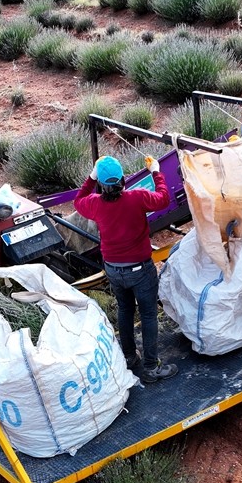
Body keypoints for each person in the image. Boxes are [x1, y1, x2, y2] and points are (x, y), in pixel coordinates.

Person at [74, 155, 178, 384]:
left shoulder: (95, 204)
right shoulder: (137, 197)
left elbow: (78, 200)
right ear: (122, 179)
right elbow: (163, 198)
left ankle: (129, 357)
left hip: (113, 269)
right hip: (140, 270)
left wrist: (91, 177)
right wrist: (156, 171)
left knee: (125, 310)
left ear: (101, 184)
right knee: (148, 314)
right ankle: (151, 367)